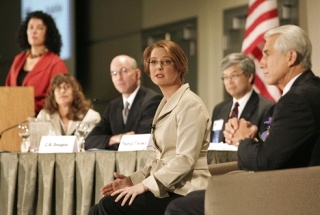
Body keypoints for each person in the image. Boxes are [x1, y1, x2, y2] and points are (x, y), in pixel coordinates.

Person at [165, 24, 320, 215]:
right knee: (191, 197)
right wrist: (254, 139)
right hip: (290, 185)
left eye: (267, 54)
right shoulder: (309, 90)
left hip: (289, 195)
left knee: (179, 207)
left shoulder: (297, 99)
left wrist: (242, 138)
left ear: (291, 57)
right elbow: (286, 150)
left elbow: (266, 162)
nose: (261, 63)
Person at [88, 40, 211, 215]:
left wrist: (143, 186)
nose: (158, 67)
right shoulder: (164, 103)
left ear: (179, 67)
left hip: (186, 190)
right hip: (167, 186)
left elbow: (185, 160)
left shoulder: (190, 104)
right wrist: (132, 181)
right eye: (153, 62)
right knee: (96, 209)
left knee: (110, 206)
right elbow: (160, 160)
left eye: (166, 61)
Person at [84, 55, 162, 150]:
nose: (119, 77)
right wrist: (118, 138)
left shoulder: (152, 101)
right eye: (114, 73)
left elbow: (143, 142)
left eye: (124, 71)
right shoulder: (113, 106)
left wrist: (110, 142)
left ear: (137, 74)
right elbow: (89, 141)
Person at [6, 10, 68, 115]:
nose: (34, 31)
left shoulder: (56, 62)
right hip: (13, 116)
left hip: (41, 118)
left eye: (39, 28)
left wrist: (26, 104)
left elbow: (56, 97)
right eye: (31, 27)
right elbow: (8, 90)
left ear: (48, 33)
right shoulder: (18, 59)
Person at [210, 53, 273, 143]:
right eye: (225, 77)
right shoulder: (219, 109)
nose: (229, 81)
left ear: (249, 76)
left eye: (234, 75)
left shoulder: (267, 108)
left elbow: (266, 144)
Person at [37, 74, 101, 150]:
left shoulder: (91, 116)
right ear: (53, 94)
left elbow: (92, 145)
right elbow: (32, 144)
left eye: (67, 87)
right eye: (58, 88)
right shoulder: (44, 116)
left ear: (75, 92)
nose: (62, 91)